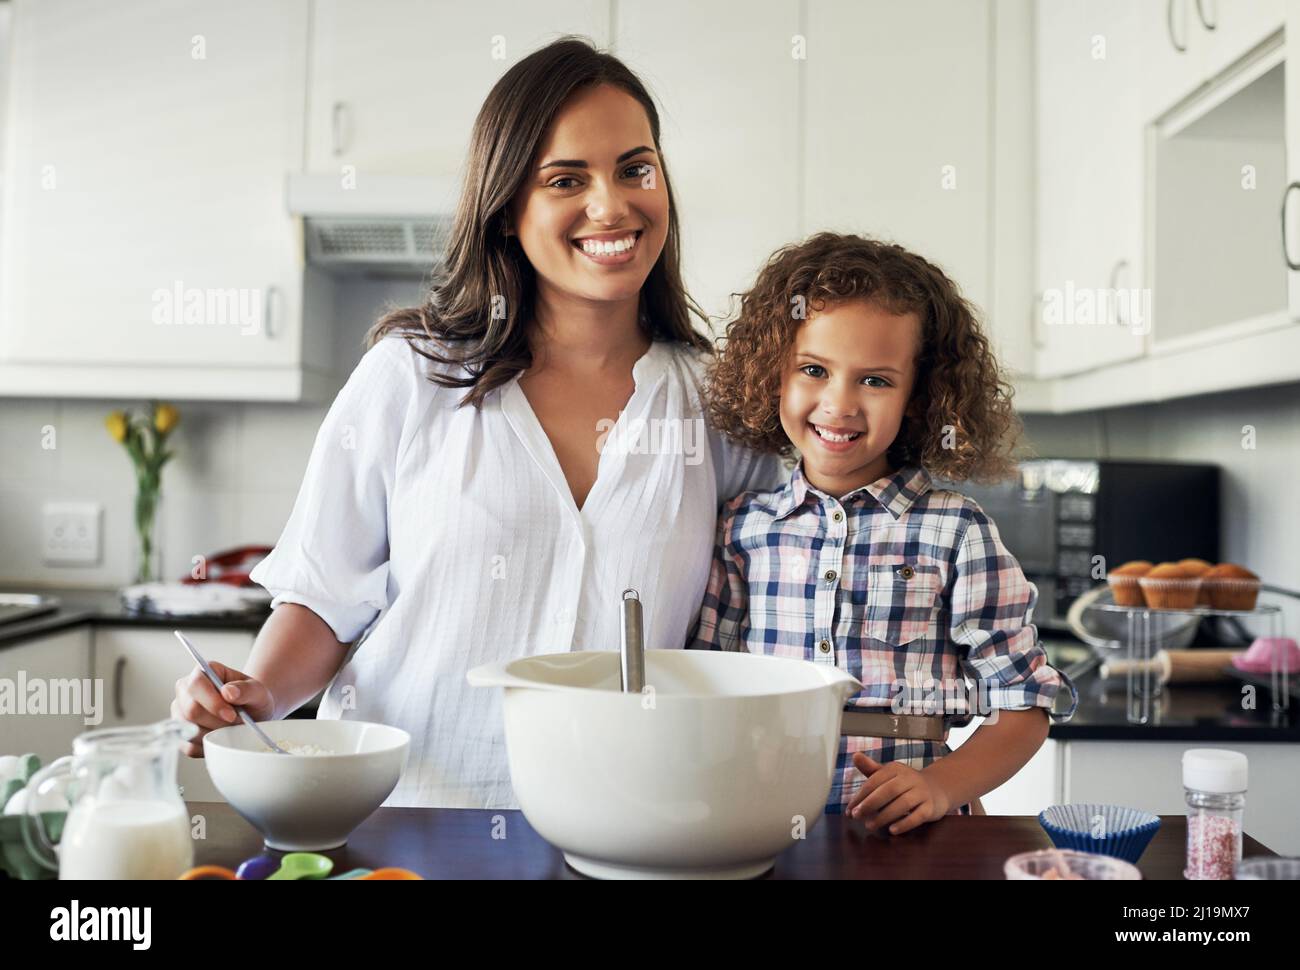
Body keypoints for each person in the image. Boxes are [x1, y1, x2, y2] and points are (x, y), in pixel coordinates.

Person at [171, 37, 781, 807]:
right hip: (407, 813)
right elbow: (324, 600)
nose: (614, 204)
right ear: (507, 212)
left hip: (625, 824)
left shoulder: (720, 404)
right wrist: (256, 692)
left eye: (636, 168)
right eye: (566, 179)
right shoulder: (412, 376)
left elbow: (779, 594)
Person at [689, 231, 1078, 834]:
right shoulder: (742, 529)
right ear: (773, 374)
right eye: (814, 369)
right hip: (760, 832)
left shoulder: (957, 532)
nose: (839, 404)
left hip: (915, 844)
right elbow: (704, 691)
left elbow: (1024, 706)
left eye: (875, 380)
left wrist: (942, 785)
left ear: (919, 399)